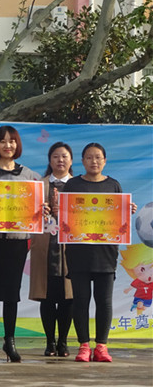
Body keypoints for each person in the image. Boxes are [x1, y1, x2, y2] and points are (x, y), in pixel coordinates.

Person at [0, 125, 42, 363]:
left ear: (17, 145)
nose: (7, 145)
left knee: (12, 293)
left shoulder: (29, 175)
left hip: (17, 241)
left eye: (11, 141)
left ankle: (9, 340)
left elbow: (35, 207)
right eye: (2, 141)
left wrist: (40, 209)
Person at [63, 143, 137, 363]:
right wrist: (59, 211)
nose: (93, 161)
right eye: (89, 157)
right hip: (78, 251)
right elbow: (65, 215)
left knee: (104, 301)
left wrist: (127, 210)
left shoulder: (113, 185)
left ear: (105, 161)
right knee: (81, 300)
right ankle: (84, 346)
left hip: (105, 252)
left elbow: (118, 217)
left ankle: (102, 346)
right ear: (82, 161)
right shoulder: (73, 185)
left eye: (98, 157)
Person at [29, 142, 74, 357]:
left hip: (70, 249)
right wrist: (39, 211)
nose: (60, 160)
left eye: (64, 156)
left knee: (68, 297)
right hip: (45, 247)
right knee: (46, 296)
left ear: (71, 161)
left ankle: (63, 342)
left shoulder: (78, 186)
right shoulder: (39, 185)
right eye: (56, 156)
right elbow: (25, 214)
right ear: (49, 160)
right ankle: (49, 342)